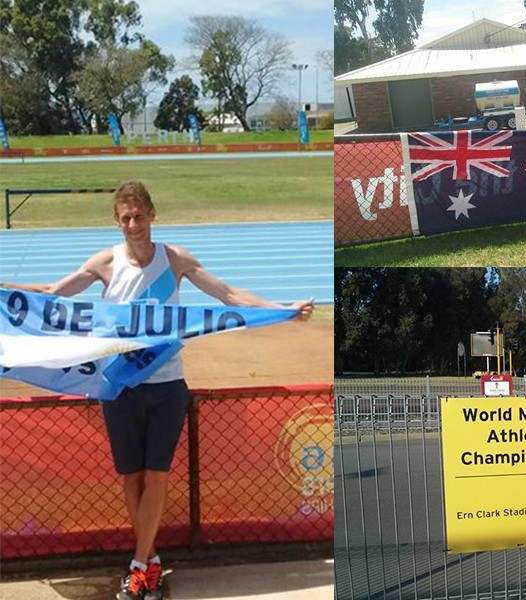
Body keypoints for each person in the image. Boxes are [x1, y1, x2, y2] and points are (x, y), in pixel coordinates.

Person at [0, 181, 314, 600]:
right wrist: (5, 290)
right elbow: (54, 294)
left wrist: (281, 310)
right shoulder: (105, 263)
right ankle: (149, 563)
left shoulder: (175, 259)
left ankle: (138, 567)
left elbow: (227, 294)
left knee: (157, 475)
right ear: (117, 221)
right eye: (126, 218)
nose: (133, 224)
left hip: (166, 385)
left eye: (139, 216)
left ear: (152, 215)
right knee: (131, 477)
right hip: (120, 385)